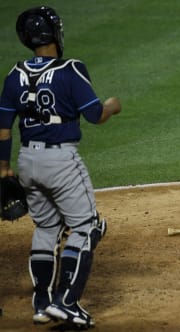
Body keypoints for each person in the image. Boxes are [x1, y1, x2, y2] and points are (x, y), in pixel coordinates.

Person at [0, 6, 121, 328]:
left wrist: (3, 167)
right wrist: (111, 106)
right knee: (86, 227)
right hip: (61, 161)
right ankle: (66, 302)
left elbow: (3, 128)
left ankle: (41, 304)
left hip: (26, 160)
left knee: (46, 229)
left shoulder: (14, 74)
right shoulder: (71, 69)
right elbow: (95, 115)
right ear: (54, 34)